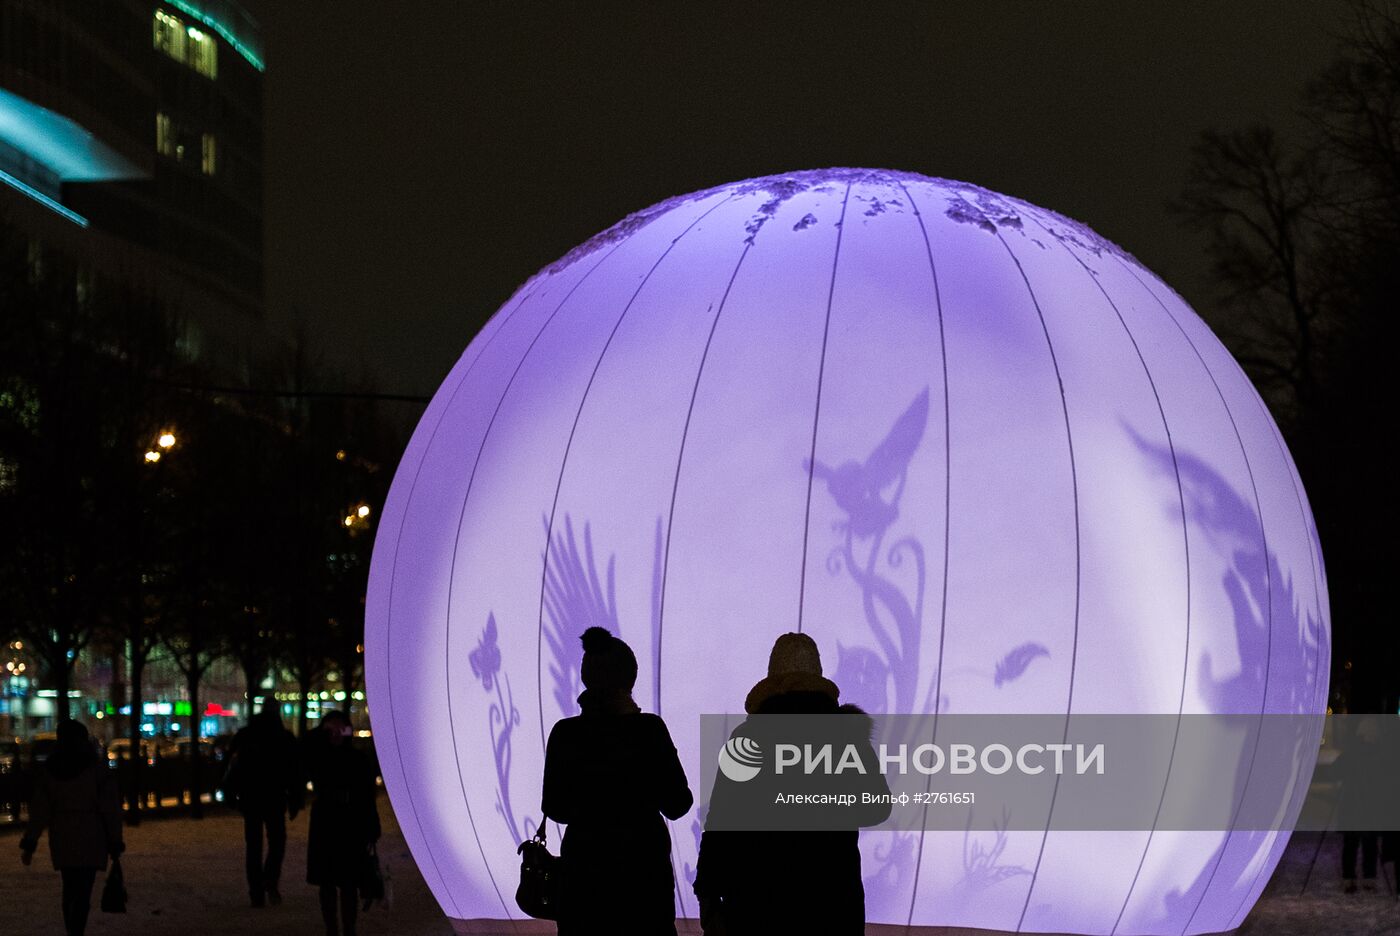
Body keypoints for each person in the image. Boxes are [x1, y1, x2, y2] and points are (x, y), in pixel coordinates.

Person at [694, 632, 891, 936]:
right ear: (819, 679)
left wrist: (709, 902)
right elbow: (876, 808)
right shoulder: (845, 737)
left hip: (756, 908)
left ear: (772, 682)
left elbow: (719, 825)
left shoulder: (748, 740)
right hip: (832, 908)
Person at [542, 626, 693, 936]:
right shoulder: (650, 730)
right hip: (644, 876)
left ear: (586, 677)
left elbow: (555, 808)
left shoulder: (565, 734)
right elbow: (678, 804)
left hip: (583, 877)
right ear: (630, 679)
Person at [18, 719, 125, 936]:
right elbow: (110, 808)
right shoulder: (96, 769)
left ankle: (72, 928)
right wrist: (115, 840)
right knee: (84, 889)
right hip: (91, 835)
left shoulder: (51, 769)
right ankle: (77, 929)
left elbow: (40, 810)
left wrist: (30, 841)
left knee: (69, 886)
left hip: (62, 834)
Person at [306, 710, 380, 936]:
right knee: (327, 883)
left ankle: (349, 928)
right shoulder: (318, 756)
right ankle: (332, 929)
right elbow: (302, 754)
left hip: (351, 824)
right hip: (326, 824)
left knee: (349, 883)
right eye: (331, 729)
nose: (336, 734)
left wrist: (372, 827)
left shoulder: (358, 759)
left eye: (341, 729)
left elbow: (368, 795)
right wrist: (321, 734)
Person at [224, 708, 304, 907]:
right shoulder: (284, 738)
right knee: (277, 842)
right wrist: (295, 799)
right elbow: (294, 772)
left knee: (253, 846)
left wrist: (231, 794)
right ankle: (270, 878)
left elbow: (231, 766)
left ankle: (256, 891)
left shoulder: (245, 736)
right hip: (275, 798)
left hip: (251, 798)